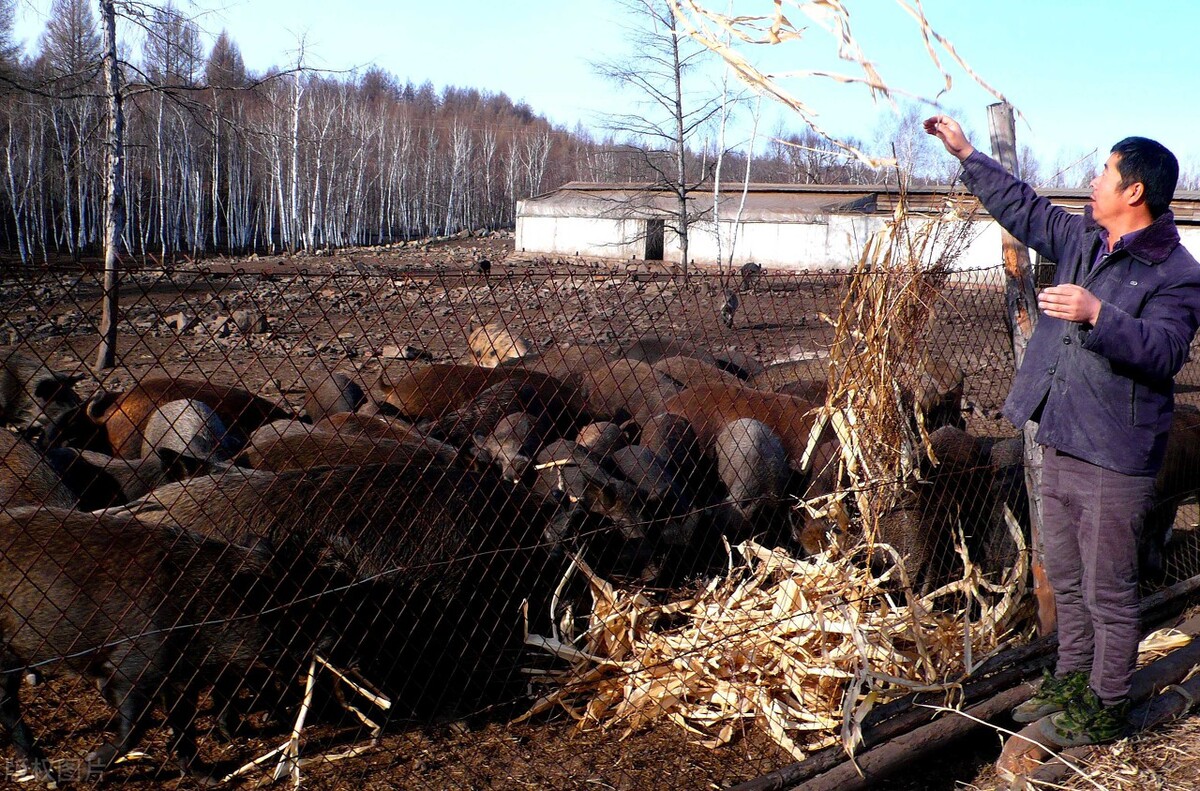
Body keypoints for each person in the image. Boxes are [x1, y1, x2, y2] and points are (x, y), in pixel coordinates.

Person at [925, 115, 1200, 747]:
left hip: (1116, 451)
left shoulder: (1176, 273)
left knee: (1108, 589)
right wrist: (967, 152)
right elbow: (1021, 206)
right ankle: (1073, 683)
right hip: (1064, 434)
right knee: (1068, 577)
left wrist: (1097, 312)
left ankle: (1104, 709)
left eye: (1106, 171)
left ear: (1135, 191)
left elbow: (1163, 351)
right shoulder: (1083, 238)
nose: (1095, 180)